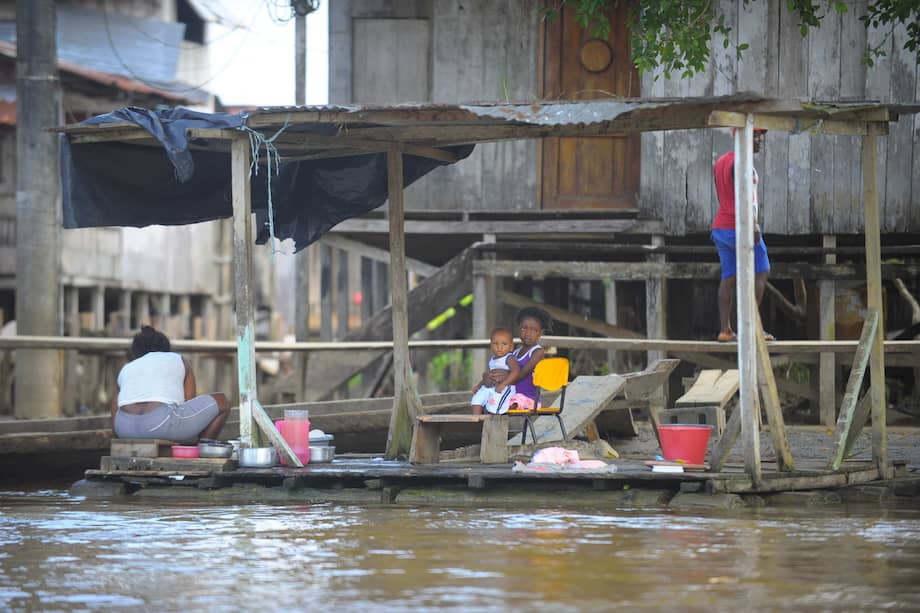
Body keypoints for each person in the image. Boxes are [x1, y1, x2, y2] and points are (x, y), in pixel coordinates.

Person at [111, 326, 230, 441]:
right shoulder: (177, 359)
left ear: (135, 350)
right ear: (165, 347)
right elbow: (188, 403)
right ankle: (205, 448)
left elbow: (114, 414)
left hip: (123, 429)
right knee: (222, 401)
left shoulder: (126, 368)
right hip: (160, 424)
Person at [711, 127, 774, 342]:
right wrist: (753, 225)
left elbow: (724, 194)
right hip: (741, 227)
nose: (759, 140)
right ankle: (753, 328)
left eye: (760, 136)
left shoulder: (722, 162)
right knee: (761, 271)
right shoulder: (743, 163)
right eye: (755, 136)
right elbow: (745, 196)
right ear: (741, 136)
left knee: (729, 276)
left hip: (721, 227)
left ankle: (725, 330)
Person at [506, 306, 553, 411]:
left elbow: (521, 374)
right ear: (518, 329)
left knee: (514, 400)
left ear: (540, 333)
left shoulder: (537, 352)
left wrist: (502, 379)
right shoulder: (515, 352)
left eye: (533, 330)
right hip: (513, 396)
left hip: (529, 400)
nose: (528, 333)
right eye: (524, 328)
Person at [470, 327, 520, 415]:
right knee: (477, 399)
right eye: (496, 344)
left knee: (494, 405)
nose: (499, 347)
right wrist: (479, 385)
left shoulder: (509, 358)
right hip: (490, 387)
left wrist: (503, 384)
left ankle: (493, 420)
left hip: (504, 388)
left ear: (511, 347)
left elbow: (516, 371)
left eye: (504, 344)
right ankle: (476, 419)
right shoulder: (492, 360)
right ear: (491, 345)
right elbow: (490, 376)